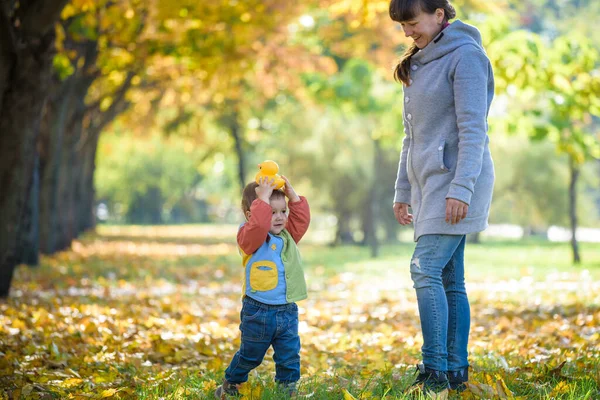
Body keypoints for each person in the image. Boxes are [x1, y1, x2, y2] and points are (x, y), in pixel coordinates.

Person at [388, 0, 495, 395]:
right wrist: (403, 189)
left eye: (412, 23)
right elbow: (411, 137)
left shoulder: (466, 57)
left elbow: (473, 131)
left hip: (458, 184)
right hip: (428, 185)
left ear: (439, 14)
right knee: (450, 278)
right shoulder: (418, 62)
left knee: (424, 268)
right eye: (402, 26)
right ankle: (453, 370)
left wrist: (462, 189)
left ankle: (433, 367)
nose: (407, 33)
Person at [215, 175, 310, 398]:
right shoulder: (249, 237)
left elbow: (302, 220)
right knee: (251, 355)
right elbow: (258, 226)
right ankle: (230, 384)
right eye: (271, 211)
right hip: (257, 311)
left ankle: (288, 390)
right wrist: (262, 200)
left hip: (286, 309)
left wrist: (293, 196)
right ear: (252, 214)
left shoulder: (288, 236)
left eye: (282, 211)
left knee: (290, 354)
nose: (279, 218)